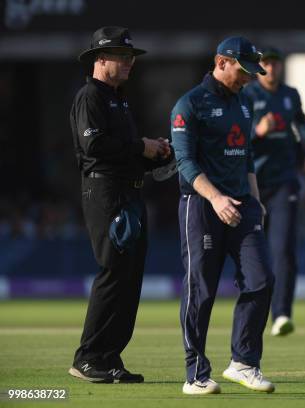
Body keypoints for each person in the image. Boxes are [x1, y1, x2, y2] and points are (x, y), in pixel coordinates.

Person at [171, 36, 275, 395]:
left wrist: (256, 202)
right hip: (202, 206)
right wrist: (216, 199)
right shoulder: (190, 104)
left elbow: (245, 157)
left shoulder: (244, 103)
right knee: (201, 290)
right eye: (243, 71)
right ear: (221, 63)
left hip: (243, 205)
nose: (248, 78)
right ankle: (195, 373)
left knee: (262, 279)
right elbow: (184, 162)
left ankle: (244, 362)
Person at [69, 26, 173, 383]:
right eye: (122, 56)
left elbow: (124, 151)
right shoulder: (90, 96)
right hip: (105, 194)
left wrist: (153, 153)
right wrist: (139, 147)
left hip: (127, 191)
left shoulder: (119, 98)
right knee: (114, 273)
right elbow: (93, 147)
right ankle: (88, 357)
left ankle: (109, 358)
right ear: (101, 59)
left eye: (130, 57)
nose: (130, 63)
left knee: (129, 278)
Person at [243, 47, 305, 336]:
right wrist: (258, 132)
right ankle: (254, 314)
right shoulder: (247, 95)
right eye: (265, 63)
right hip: (254, 184)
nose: (271, 69)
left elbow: (302, 126)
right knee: (253, 253)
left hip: (285, 181)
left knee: (284, 249)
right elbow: (236, 137)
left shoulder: (290, 95)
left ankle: (282, 313)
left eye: (275, 64)